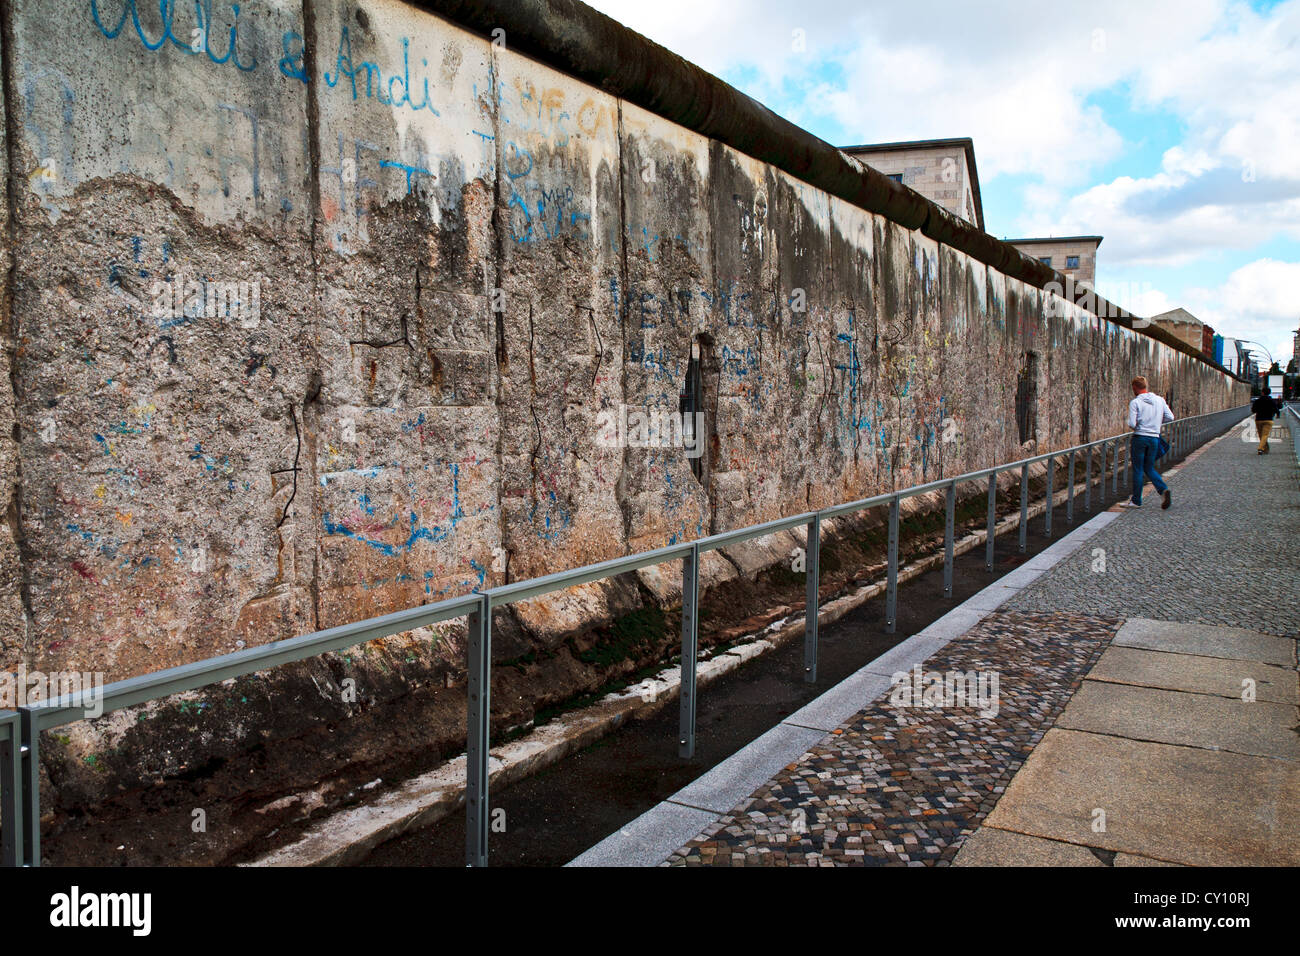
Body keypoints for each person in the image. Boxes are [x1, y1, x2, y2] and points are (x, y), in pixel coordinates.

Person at [1122, 376, 1173, 510]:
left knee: (1138, 469)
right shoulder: (1159, 400)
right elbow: (1170, 417)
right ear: (1146, 386)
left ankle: (1136, 501)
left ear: (1135, 388)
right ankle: (1162, 489)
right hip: (1154, 438)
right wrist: (1155, 424)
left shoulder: (1135, 402)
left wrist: (1139, 424)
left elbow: (1133, 423)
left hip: (1140, 437)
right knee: (1149, 467)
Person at [1251, 389, 1280, 454]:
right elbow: (1277, 410)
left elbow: (1253, 410)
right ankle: (1264, 449)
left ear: (1262, 392)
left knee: (1261, 435)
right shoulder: (1272, 401)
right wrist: (1278, 415)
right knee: (1265, 435)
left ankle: (1261, 448)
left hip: (1259, 420)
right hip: (1269, 420)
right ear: (1269, 393)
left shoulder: (1257, 401)